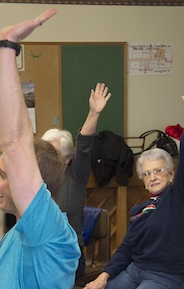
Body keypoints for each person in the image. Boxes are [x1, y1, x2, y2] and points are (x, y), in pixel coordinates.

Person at [0, 9, 80, 289]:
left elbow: (15, 142)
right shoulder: (18, 231)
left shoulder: (50, 231)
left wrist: (6, 47)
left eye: (3, 174)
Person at [85, 86, 184, 289]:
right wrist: (103, 277)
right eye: (147, 174)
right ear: (142, 180)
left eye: (158, 171)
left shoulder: (179, 197)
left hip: (169, 276)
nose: (153, 177)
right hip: (135, 271)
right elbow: (126, 249)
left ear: (171, 175)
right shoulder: (138, 210)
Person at [42, 82, 111, 279]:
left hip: (68, 255)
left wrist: (94, 112)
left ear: (67, 158)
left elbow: (84, 144)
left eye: (53, 153)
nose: (47, 158)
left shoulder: (75, 175)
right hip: (41, 250)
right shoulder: (35, 178)